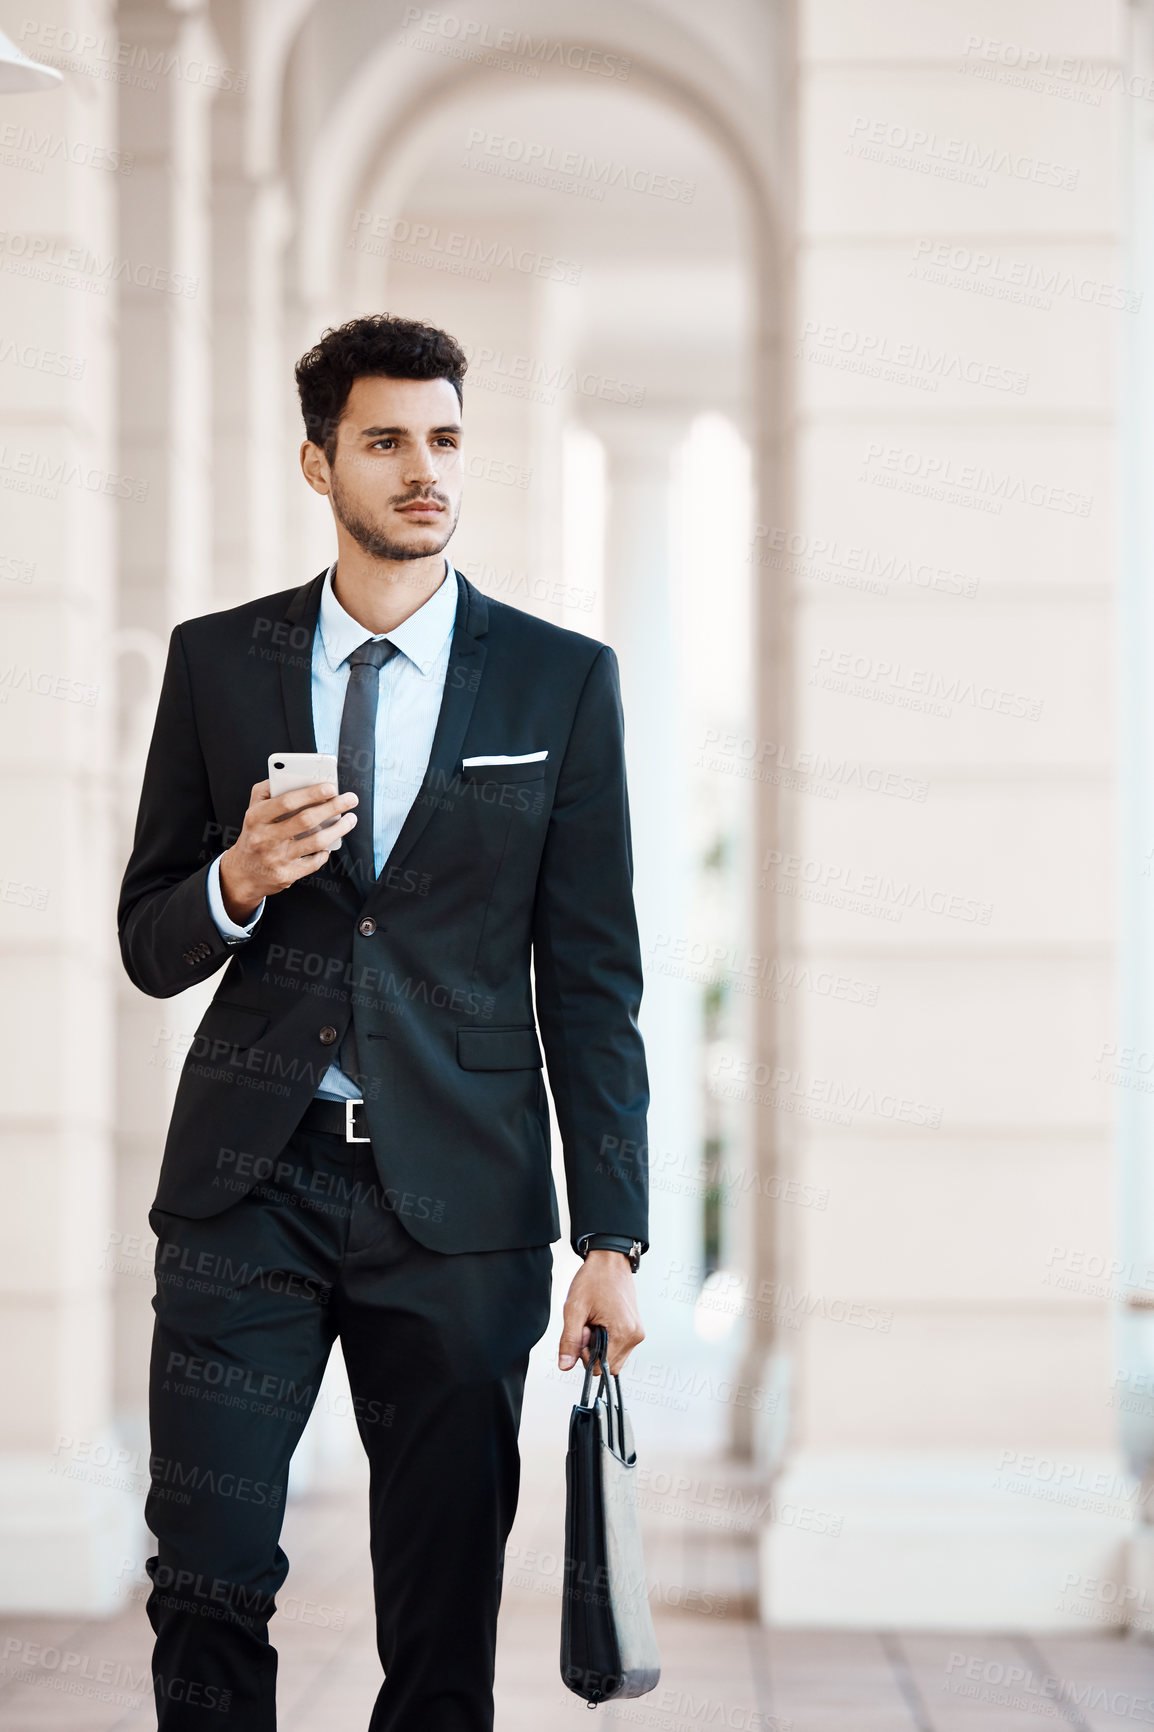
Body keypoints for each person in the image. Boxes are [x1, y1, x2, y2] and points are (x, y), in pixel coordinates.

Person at [116, 312, 650, 1731]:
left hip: (460, 1208)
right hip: (248, 1193)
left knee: (441, 1605)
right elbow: (147, 937)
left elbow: (593, 983)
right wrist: (236, 879)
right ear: (318, 463)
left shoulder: (558, 681)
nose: (425, 469)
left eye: (445, 439)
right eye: (388, 442)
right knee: (207, 1577)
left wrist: (612, 1238)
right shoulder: (219, 662)